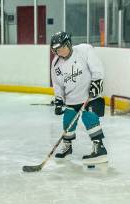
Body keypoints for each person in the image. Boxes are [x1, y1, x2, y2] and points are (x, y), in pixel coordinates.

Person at [49, 31, 108, 165]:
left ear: (68, 44)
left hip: (89, 96)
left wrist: (97, 82)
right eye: (56, 50)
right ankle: (67, 147)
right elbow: (57, 84)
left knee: (90, 118)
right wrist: (59, 99)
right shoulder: (56, 64)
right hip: (71, 98)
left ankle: (99, 148)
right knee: (68, 121)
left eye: (61, 48)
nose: (60, 52)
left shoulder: (84, 50)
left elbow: (97, 68)